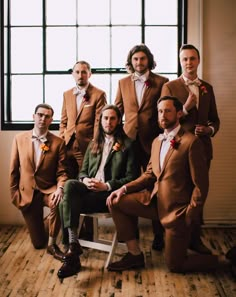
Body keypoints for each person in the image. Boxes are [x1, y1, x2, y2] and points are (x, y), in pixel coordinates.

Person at [106, 96, 236, 275]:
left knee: (176, 265)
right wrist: (124, 188)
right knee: (115, 201)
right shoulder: (157, 141)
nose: (163, 115)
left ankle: (224, 260)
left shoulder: (191, 142)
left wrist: (190, 214)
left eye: (167, 110)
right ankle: (134, 254)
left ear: (179, 113)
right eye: (160, 111)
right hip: (153, 202)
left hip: (177, 212)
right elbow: (149, 175)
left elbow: (201, 186)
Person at [57, 104, 141, 279]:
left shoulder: (129, 145)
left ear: (118, 121)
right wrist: (85, 180)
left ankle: (71, 253)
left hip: (108, 195)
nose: (108, 122)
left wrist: (107, 185)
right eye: (105, 118)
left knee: (66, 198)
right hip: (88, 190)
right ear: (100, 121)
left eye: (112, 118)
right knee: (70, 186)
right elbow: (83, 171)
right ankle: (73, 246)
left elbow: (132, 178)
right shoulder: (94, 143)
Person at [161, 44, 220, 254]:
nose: (189, 63)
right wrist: (184, 108)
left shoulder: (207, 88)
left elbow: (216, 120)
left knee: (199, 194)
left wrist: (209, 130)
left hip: (202, 149)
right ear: (180, 61)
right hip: (178, 150)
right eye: (185, 59)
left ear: (198, 60)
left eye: (192, 58)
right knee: (178, 195)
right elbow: (165, 118)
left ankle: (195, 239)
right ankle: (177, 239)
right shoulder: (170, 87)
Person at [114, 44, 169, 250]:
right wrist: (118, 139)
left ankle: (158, 234)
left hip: (152, 141)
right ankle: (130, 232)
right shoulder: (122, 82)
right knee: (127, 183)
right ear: (131, 61)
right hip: (128, 142)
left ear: (149, 60)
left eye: (142, 59)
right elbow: (118, 112)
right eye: (135, 59)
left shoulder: (161, 82)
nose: (139, 62)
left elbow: (165, 109)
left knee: (154, 186)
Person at [9, 103, 68, 261]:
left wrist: (60, 189)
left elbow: (62, 172)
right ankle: (45, 231)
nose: (43, 118)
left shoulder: (58, 142)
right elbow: (13, 170)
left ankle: (52, 244)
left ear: (51, 120)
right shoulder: (19, 139)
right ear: (33, 117)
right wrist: (15, 195)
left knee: (59, 203)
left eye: (47, 116)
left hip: (48, 189)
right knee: (37, 243)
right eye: (40, 115)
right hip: (27, 193)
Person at [59, 60, 107, 239]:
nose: (80, 75)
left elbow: (98, 123)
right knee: (66, 188)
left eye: (84, 72)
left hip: (87, 149)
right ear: (73, 74)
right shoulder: (66, 94)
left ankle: (88, 233)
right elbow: (63, 120)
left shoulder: (99, 94)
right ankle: (69, 234)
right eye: (77, 72)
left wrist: (95, 145)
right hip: (67, 147)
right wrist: (63, 136)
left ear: (90, 74)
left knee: (85, 187)